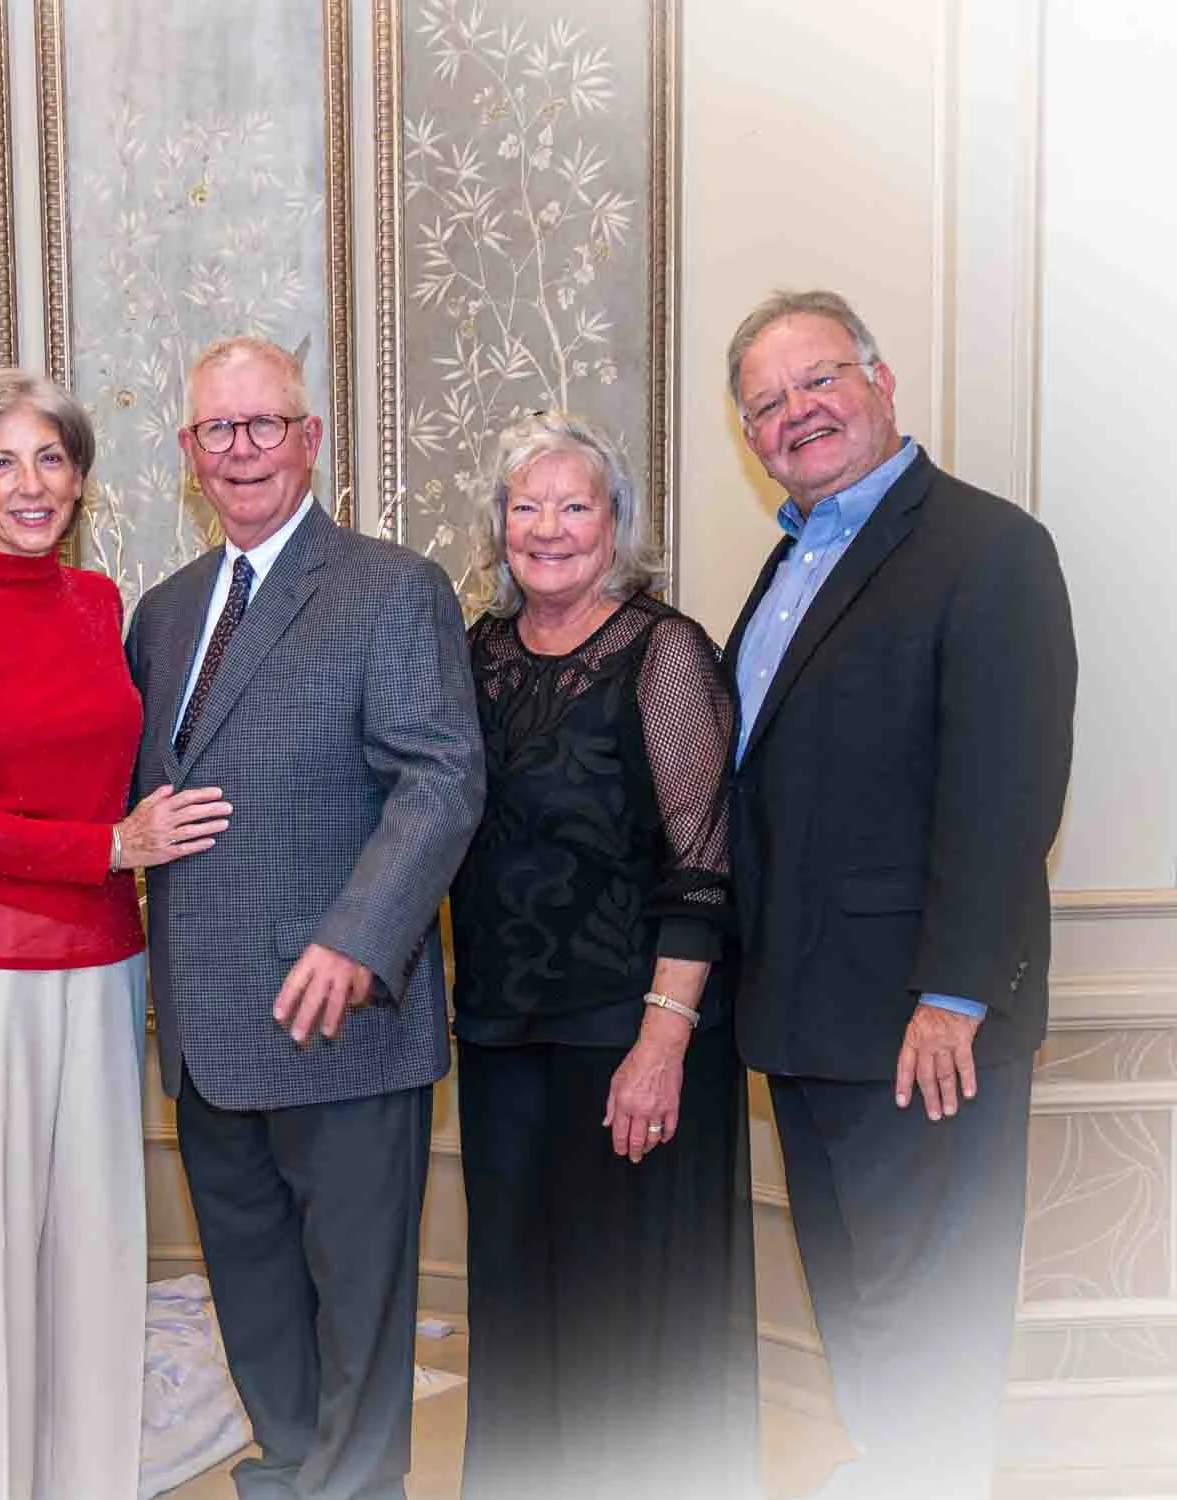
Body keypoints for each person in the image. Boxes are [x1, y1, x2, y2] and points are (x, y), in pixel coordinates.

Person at [723, 289, 1077, 1500]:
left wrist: (954, 994)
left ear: (879, 381)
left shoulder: (985, 548)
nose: (795, 413)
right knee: (859, 1304)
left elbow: (1005, 790)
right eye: (766, 403)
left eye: (815, 381)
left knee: (932, 1312)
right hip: (807, 1019)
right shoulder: (790, 561)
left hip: (922, 1026)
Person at [126, 336, 484, 1500]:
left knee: (358, 1311)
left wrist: (354, 937)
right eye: (215, 432)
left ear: (309, 437)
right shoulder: (165, 613)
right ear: (188, 453)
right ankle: (284, 1474)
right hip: (204, 1030)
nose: (240, 452)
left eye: (262, 426)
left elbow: (441, 779)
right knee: (254, 1300)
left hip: (335, 1018)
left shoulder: (390, 586)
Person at [0, 368, 228, 1500]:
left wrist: (125, 860)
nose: (30, 485)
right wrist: (105, 852)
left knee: (93, 1250)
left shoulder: (97, 605)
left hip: (102, 961)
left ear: (78, 479)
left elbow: (125, 778)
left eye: (50, 459)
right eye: (2, 463)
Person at [446, 410, 756, 1499]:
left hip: (629, 1040)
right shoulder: (474, 654)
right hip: (498, 1040)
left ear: (614, 521)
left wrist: (660, 1042)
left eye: (573, 504)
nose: (547, 527)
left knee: (629, 1316)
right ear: (497, 527)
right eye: (524, 505)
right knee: (523, 1311)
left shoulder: (661, 651)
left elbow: (703, 864)